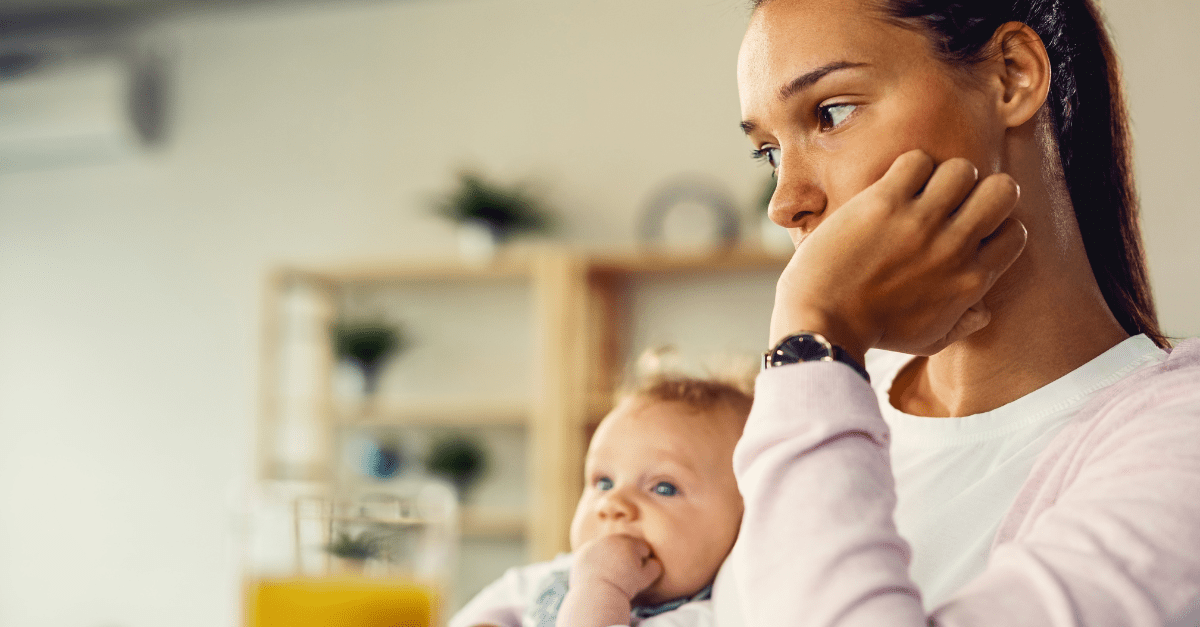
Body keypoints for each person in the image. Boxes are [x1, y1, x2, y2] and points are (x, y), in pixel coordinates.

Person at [718, 0, 1200, 625]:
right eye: (770, 151)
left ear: (1011, 75)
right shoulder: (827, 402)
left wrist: (813, 335)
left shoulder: (1177, 439)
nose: (786, 202)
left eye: (831, 113)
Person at [449, 374, 753, 627]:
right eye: (603, 482)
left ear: (747, 516)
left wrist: (601, 590)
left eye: (663, 488)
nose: (613, 504)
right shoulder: (556, 578)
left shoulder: (715, 616)